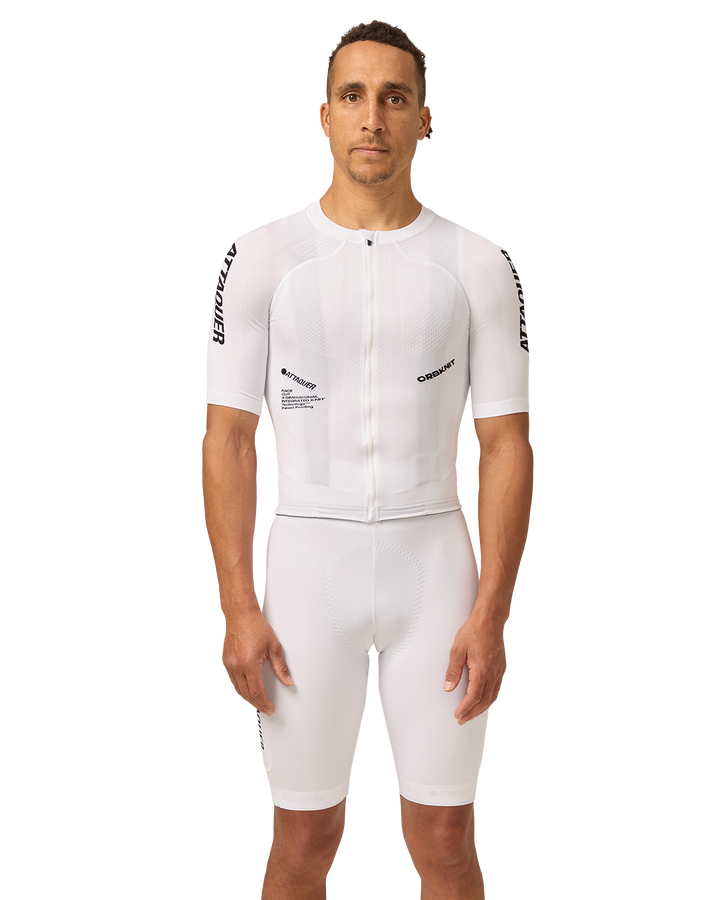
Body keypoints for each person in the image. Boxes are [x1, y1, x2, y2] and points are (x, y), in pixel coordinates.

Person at [200, 16, 534, 900]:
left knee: (446, 841)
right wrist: (237, 607)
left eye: (395, 97)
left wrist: (493, 615)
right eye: (353, 96)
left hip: (437, 569)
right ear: (324, 115)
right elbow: (227, 439)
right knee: (303, 842)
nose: (372, 117)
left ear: (427, 119)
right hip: (307, 569)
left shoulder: (480, 262)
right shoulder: (259, 255)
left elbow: (506, 444)